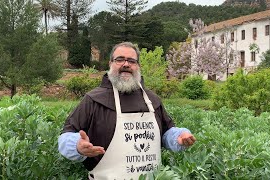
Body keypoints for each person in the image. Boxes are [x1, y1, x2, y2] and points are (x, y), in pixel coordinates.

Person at [58, 42, 196, 180]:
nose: (126, 64)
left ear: (138, 66)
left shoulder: (152, 100)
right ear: (110, 63)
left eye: (131, 61)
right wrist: (77, 146)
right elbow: (66, 135)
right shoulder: (93, 100)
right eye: (120, 59)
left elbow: (166, 132)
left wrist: (178, 138)